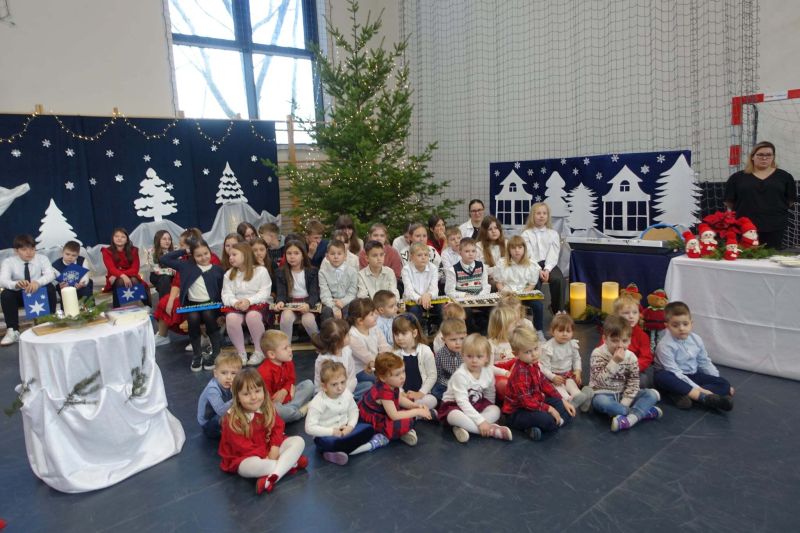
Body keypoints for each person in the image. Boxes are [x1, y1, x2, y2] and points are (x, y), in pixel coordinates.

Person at [218, 368, 307, 495]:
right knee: (249, 467)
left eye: (257, 391)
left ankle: (272, 477)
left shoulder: (267, 407)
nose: (254, 397)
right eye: (246, 394)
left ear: (263, 390)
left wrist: (274, 447)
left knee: (299, 441)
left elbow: (278, 427)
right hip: (246, 456)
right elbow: (243, 448)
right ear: (237, 397)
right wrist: (266, 456)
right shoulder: (232, 419)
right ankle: (290, 463)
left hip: (269, 448)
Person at [304, 360, 389, 465]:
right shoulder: (317, 402)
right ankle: (368, 446)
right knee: (331, 443)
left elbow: (354, 410)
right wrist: (332, 432)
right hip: (326, 436)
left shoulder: (346, 393)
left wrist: (350, 426)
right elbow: (309, 428)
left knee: (369, 429)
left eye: (343, 382)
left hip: (346, 431)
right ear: (324, 386)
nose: (340, 387)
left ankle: (334, 453)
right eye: (334, 384)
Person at [654, 301, 735, 411]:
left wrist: (717, 379)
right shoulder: (664, 346)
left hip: (692, 375)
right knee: (662, 377)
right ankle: (700, 396)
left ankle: (682, 394)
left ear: (691, 323)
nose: (681, 328)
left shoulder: (696, 339)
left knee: (724, 384)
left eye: (685, 324)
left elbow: (704, 362)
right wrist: (699, 390)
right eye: (675, 325)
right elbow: (675, 371)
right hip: (673, 376)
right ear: (667, 326)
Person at [589, 315, 663, 432]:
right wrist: (614, 362)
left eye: (624, 341)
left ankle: (628, 419)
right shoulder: (598, 354)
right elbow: (599, 382)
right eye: (614, 340)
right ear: (604, 339)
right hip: (604, 394)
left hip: (624, 394)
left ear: (629, 340)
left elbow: (633, 383)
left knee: (652, 394)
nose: (620, 345)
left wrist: (624, 403)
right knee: (600, 402)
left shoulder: (631, 357)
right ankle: (642, 413)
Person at [160, 240, 224, 371]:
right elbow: (164, 259)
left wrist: (222, 313)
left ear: (210, 252)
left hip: (212, 305)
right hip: (192, 305)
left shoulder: (217, 269)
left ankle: (216, 352)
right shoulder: (186, 266)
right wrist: (185, 251)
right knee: (193, 318)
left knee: (208, 315)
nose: (203, 258)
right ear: (192, 256)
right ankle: (197, 355)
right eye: (198, 255)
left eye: (206, 253)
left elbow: (222, 291)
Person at [503, 326, 575, 441]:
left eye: (536, 348)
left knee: (563, 406)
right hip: (518, 412)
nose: (534, 354)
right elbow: (526, 401)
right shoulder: (520, 372)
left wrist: (562, 400)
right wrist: (549, 409)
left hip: (535, 401)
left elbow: (544, 383)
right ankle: (545, 424)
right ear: (516, 354)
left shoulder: (533, 363)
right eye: (528, 352)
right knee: (546, 420)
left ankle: (544, 425)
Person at [438, 333, 513, 443]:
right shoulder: (460, 375)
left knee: (495, 409)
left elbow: (490, 393)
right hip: (455, 405)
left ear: (487, 357)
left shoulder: (488, 371)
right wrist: (481, 421)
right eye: (469, 356)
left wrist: (485, 413)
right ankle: (491, 430)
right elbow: (462, 401)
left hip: (477, 403)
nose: (474, 360)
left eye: (479, 356)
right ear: (462, 356)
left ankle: (465, 426)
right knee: (453, 416)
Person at [724, 141, 796, 249]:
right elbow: (729, 202)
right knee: (745, 257)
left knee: (771, 257)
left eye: (768, 155)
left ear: (773, 157)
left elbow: (790, 201)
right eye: (760, 154)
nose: (764, 158)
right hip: (744, 227)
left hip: (774, 227)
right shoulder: (737, 178)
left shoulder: (785, 177)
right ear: (752, 157)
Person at [358, 352, 432, 446]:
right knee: (406, 421)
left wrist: (415, 406)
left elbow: (399, 399)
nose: (402, 377)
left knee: (409, 407)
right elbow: (394, 416)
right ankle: (388, 434)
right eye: (397, 374)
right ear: (383, 378)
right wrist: (417, 411)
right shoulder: (384, 391)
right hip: (374, 419)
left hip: (385, 411)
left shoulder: (392, 384)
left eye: (403, 371)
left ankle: (404, 430)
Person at [0, 234, 58, 346]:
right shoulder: (8, 262)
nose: (29, 252)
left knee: (50, 287)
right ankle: (13, 330)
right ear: (16, 251)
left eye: (32, 249)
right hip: (19, 295)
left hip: (38, 293)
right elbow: (2, 280)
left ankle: (49, 322)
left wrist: (37, 283)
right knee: (6, 294)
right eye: (24, 249)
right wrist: (16, 284)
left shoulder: (42, 258)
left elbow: (50, 274)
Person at [222, 242, 271, 366]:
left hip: (257, 304)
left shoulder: (261, 271)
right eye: (229, 255)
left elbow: (265, 292)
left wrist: (249, 301)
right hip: (238, 305)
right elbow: (226, 294)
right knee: (231, 318)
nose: (230, 258)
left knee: (252, 316)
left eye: (234, 254)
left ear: (245, 255)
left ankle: (259, 351)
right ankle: (241, 352)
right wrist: (235, 303)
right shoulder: (228, 274)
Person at [257, 330, 314, 423]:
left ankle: (292, 409)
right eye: (285, 348)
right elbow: (265, 400)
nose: (290, 350)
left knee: (309, 384)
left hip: (289, 395)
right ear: (272, 354)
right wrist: (288, 396)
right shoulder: (264, 372)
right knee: (278, 411)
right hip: (274, 403)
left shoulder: (288, 362)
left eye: (290, 346)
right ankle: (300, 412)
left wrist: (285, 391)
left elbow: (291, 380)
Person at [599, 293, 654, 388]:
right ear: (617, 315)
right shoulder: (611, 332)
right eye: (626, 313)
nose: (631, 316)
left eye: (635, 312)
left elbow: (646, 357)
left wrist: (629, 368)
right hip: (613, 367)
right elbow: (601, 352)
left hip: (633, 369)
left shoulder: (642, 335)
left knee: (644, 379)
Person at [540, 313, 593, 411]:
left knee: (572, 385)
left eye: (568, 331)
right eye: (560, 331)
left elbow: (577, 359)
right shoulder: (548, 347)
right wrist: (553, 377)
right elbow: (544, 367)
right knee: (560, 391)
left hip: (567, 374)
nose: (565, 334)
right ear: (552, 331)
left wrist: (577, 371)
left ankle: (580, 397)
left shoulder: (572, 344)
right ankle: (570, 400)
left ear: (572, 332)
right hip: (554, 377)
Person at [494, 235, 545, 335]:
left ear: (524, 249)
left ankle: (539, 331)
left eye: (520, 247)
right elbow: (498, 283)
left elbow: (532, 284)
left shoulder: (531, 264)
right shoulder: (502, 263)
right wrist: (506, 292)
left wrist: (524, 293)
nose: (517, 250)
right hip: (507, 295)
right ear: (509, 250)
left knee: (538, 306)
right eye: (513, 248)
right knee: (498, 307)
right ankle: (501, 332)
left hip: (524, 294)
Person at [521, 202, 565, 314]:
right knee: (533, 281)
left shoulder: (553, 234)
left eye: (544, 213)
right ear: (532, 215)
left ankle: (557, 310)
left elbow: (553, 254)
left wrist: (547, 269)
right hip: (532, 264)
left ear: (548, 216)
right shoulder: (526, 234)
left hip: (549, 264)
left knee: (558, 280)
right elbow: (528, 254)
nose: (541, 216)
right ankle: (532, 310)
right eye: (538, 213)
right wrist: (538, 270)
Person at [312, 318, 371, 401]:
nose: (350, 335)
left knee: (368, 385)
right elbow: (327, 386)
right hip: (329, 393)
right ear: (337, 342)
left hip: (345, 388)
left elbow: (352, 377)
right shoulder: (323, 359)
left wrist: (347, 393)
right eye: (347, 335)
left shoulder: (347, 350)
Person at [274, 240, 320, 340]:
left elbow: (314, 293)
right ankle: (285, 346)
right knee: (286, 318)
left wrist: (309, 304)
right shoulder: (280, 272)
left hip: (307, 303)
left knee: (308, 320)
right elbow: (281, 293)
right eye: (289, 253)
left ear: (303, 255)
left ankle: (320, 345)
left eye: (296, 253)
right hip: (290, 303)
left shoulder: (312, 271)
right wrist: (280, 301)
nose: (292, 256)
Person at [444, 237, 490, 333]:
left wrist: (479, 296)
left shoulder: (481, 266)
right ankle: (471, 334)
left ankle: (486, 334)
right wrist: (464, 295)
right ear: (460, 252)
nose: (471, 254)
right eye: (467, 251)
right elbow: (449, 291)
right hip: (463, 301)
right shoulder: (453, 269)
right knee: (466, 311)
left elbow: (486, 286)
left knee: (493, 309)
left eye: (473, 251)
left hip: (480, 299)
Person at [391, 314, 438, 410]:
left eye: (403, 334)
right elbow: (393, 378)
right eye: (396, 334)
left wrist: (420, 393)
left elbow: (432, 375)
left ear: (414, 333)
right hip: (403, 395)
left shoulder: (425, 351)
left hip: (422, 395)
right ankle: (417, 411)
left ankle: (412, 410)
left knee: (433, 400)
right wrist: (401, 392)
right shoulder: (395, 354)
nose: (399, 338)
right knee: (392, 399)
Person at [197, 353, 242, 438]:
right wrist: (236, 396)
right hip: (209, 423)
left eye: (233, 373)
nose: (229, 377)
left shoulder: (233, 383)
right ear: (215, 373)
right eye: (224, 373)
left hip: (222, 412)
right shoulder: (212, 389)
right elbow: (221, 411)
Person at [101, 227, 148, 308]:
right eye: (116, 236)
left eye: (122, 237)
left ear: (127, 240)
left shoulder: (134, 250)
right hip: (114, 279)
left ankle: (148, 307)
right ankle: (117, 309)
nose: (119, 238)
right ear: (113, 238)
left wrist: (121, 275)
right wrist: (122, 276)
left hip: (128, 276)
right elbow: (111, 269)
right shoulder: (106, 251)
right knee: (120, 281)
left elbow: (135, 269)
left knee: (134, 279)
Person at [347, 298, 391, 384]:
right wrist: (385, 365)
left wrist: (387, 360)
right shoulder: (352, 337)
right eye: (371, 314)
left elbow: (384, 346)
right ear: (360, 321)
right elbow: (368, 358)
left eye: (374, 312)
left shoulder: (374, 328)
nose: (376, 316)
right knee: (381, 378)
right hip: (361, 370)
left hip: (376, 364)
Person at [401, 242, 441, 331]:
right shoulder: (406, 269)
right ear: (411, 257)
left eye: (426, 255)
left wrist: (428, 295)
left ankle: (439, 332)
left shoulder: (433, 268)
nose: (423, 257)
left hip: (430, 299)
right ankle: (419, 332)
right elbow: (408, 291)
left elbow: (434, 289)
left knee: (442, 308)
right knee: (414, 310)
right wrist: (420, 298)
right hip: (413, 300)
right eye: (419, 255)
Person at [318, 240, 358, 321]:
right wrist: (334, 307)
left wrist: (342, 302)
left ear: (345, 256)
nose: (336, 257)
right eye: (332, 254)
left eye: (339, 254)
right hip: (330, 302)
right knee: (326, 311)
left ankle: (346, 329)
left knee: (349, 310)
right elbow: (324, 294)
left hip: (347, 301)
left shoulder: (352, 271)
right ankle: (329, 329)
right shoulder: (322, 272)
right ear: (327, 256)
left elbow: (352, 293)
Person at [432, 318, 467, 401]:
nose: (458, 343)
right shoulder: (440, 355)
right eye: (453, 339)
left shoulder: (468, 352)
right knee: (435, 390)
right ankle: (451, 399)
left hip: (465, 382)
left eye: (462, 338)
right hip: (448, 383)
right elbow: (439, 376)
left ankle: (459, 398)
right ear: (444, 340)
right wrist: (450, 384)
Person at [145, 230, 175, 302]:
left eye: (169, 239)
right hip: (156, 275)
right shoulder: (152, 251)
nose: (167, 241)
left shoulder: (174, 250)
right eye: (164, 239)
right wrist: (171, 271)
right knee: (165, 278)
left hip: (173, 275)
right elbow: (157, 270)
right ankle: (165, 303)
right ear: (158, 240)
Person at [475, 215, 506, 282]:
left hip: (505, 279)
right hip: (487, 281)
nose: (493, 231)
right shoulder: (479, 246)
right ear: (484, 232)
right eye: (490, 229)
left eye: (496, 228)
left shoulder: (506, 244)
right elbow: (480, 269)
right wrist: (497, 270)